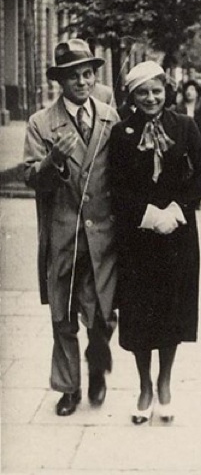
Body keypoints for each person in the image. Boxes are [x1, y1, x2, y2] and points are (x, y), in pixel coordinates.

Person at [109, 61, 201, 425]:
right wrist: (148, 214)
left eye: (156, 90)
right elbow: (116, 186)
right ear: (131, 96)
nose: (151, 98)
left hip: (178, 235)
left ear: (167, 91)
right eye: (142, 92)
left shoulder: (185, 126)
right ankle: (144, 387)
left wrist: (177, 210)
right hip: (137, 237)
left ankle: (165, 383)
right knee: (138, 314)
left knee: (171, 311)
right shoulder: (121, 133)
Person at [23, 38, 119, 417]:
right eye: (73, 76)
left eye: (87, 74)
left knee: (102, 313)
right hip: (63, 234)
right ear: (60, 81)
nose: (82, 82)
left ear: (95, 77)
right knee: (62, 315)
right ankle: (68, 387)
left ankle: (97, 363)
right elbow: (32, 178)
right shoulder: (41, 123)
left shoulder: (110, 118)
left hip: (103, 236)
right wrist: (53, 161)